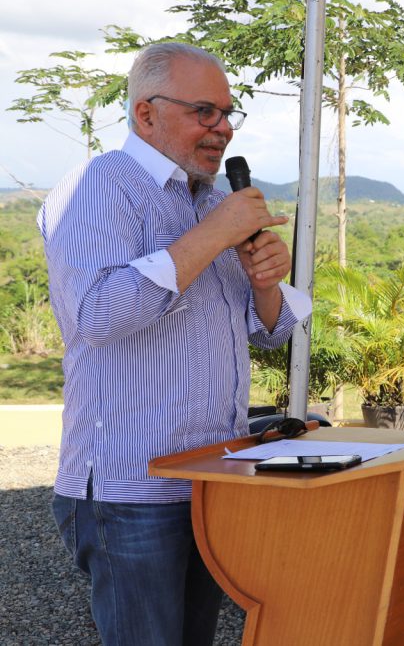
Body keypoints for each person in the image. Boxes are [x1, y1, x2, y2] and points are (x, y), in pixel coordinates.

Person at [39, 43, 311, 646]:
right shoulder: (98, 184)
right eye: (205, 112)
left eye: (228, 113)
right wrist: (214, 236)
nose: (223, 129)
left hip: (210, 482)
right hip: (128, 488)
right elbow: (93, 316)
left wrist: (266, 284)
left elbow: (268, 332)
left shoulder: (214, 200)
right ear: (145, 114)